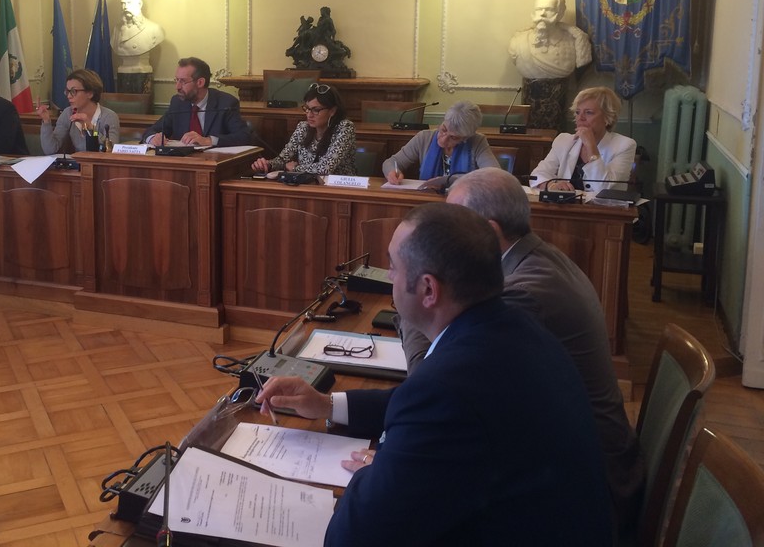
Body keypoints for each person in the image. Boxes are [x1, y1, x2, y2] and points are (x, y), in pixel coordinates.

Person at [257, 203, 613, 546]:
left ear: (429, 289)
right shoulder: (516, 327)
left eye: (392, 266)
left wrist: (378, 472)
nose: (389, 277)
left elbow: (352, 538)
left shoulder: (448, 387)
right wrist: (327, 405)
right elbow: (425, 406)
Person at [397, 167, 644, 541]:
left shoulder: (524, 293)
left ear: (488, 231)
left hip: (589, 493)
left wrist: (413, 301)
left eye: (450, 223)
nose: (437, 237)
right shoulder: (536, 257)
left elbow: (430, 373)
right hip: (579, 461)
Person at [508, 0, 593, 129]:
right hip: (531, 97)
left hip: (558, 104)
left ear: (559, 13)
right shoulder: (519, 41)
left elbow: (582, 60)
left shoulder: (573, 40)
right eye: (538, 9)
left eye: (548, 9)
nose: (542, 14)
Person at [530, 86, 637, 192]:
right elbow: (536, 175)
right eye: (577, 112)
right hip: (566, 203)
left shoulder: (624, 145)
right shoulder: (563, 140)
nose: (580, 118)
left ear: (607, 117)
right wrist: (551, 185)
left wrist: (591, 146)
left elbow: (603, 188)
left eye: (588, 112)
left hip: (604, 204)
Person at [381, 100, 498, 191]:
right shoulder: (424, 137)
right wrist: (391, 171)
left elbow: (494, 175)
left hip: (464, 203)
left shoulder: (477, 142)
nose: (443, 139)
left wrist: (448, 181)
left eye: (453, 137)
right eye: (443, 129)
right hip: (426, 199)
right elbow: (391, 162)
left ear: (465, 138)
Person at [142, 57, 252, 148]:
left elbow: (244, 136)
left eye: (183, 81)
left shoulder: (226, 103)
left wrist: (208, 140)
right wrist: (153, 138)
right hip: (184, 162)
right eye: (177, 80)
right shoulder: (177, 102)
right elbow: (152, 130)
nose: (177, 87)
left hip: (214, 162)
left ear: (200, 82)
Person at [250, 83, 356, 175]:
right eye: (307, 109)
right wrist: (267, 164)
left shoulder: (345, 128)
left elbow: (326, 168)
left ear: (332, 111)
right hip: (307, 185)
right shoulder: (303, 127)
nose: (309, 115)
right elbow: (283, 159)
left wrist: (295, 168)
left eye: (316, 110)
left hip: (339, 187)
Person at [37, 68, 120, 154]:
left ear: (90, 93)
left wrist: (91, 128)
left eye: (74, 91)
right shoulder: (67, 113)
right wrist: (46, 121)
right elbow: (50, 150)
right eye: (68, 91)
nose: (69, 96)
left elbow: (111, 151)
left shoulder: (109, 116)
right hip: (77, 161)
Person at [111, 0, 164, 94]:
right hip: (123, 70)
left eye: (129, 2)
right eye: (123, 3)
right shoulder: (116, 30)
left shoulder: (154, 29)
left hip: (142, 70)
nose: (125, 7)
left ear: (139, 4)